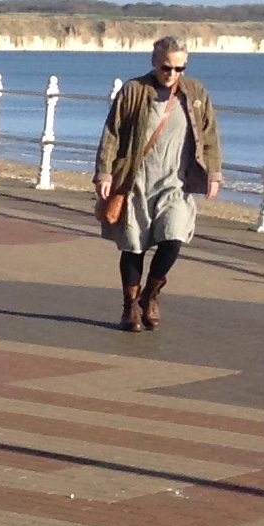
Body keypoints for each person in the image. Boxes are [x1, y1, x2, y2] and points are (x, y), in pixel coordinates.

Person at [95, 37, 222, 331]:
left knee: (173, 238)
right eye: (167, 67)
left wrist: (213, 173)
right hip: (136, 179)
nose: (173, 74)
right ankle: (130, 307)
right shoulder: (134, 91)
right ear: (154, 62)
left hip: (175, 182)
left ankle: (150, 295)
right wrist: (104, 174)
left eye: (180, 68)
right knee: (134, 245)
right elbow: (112, 133)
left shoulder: (196, 92)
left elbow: (210, 134)